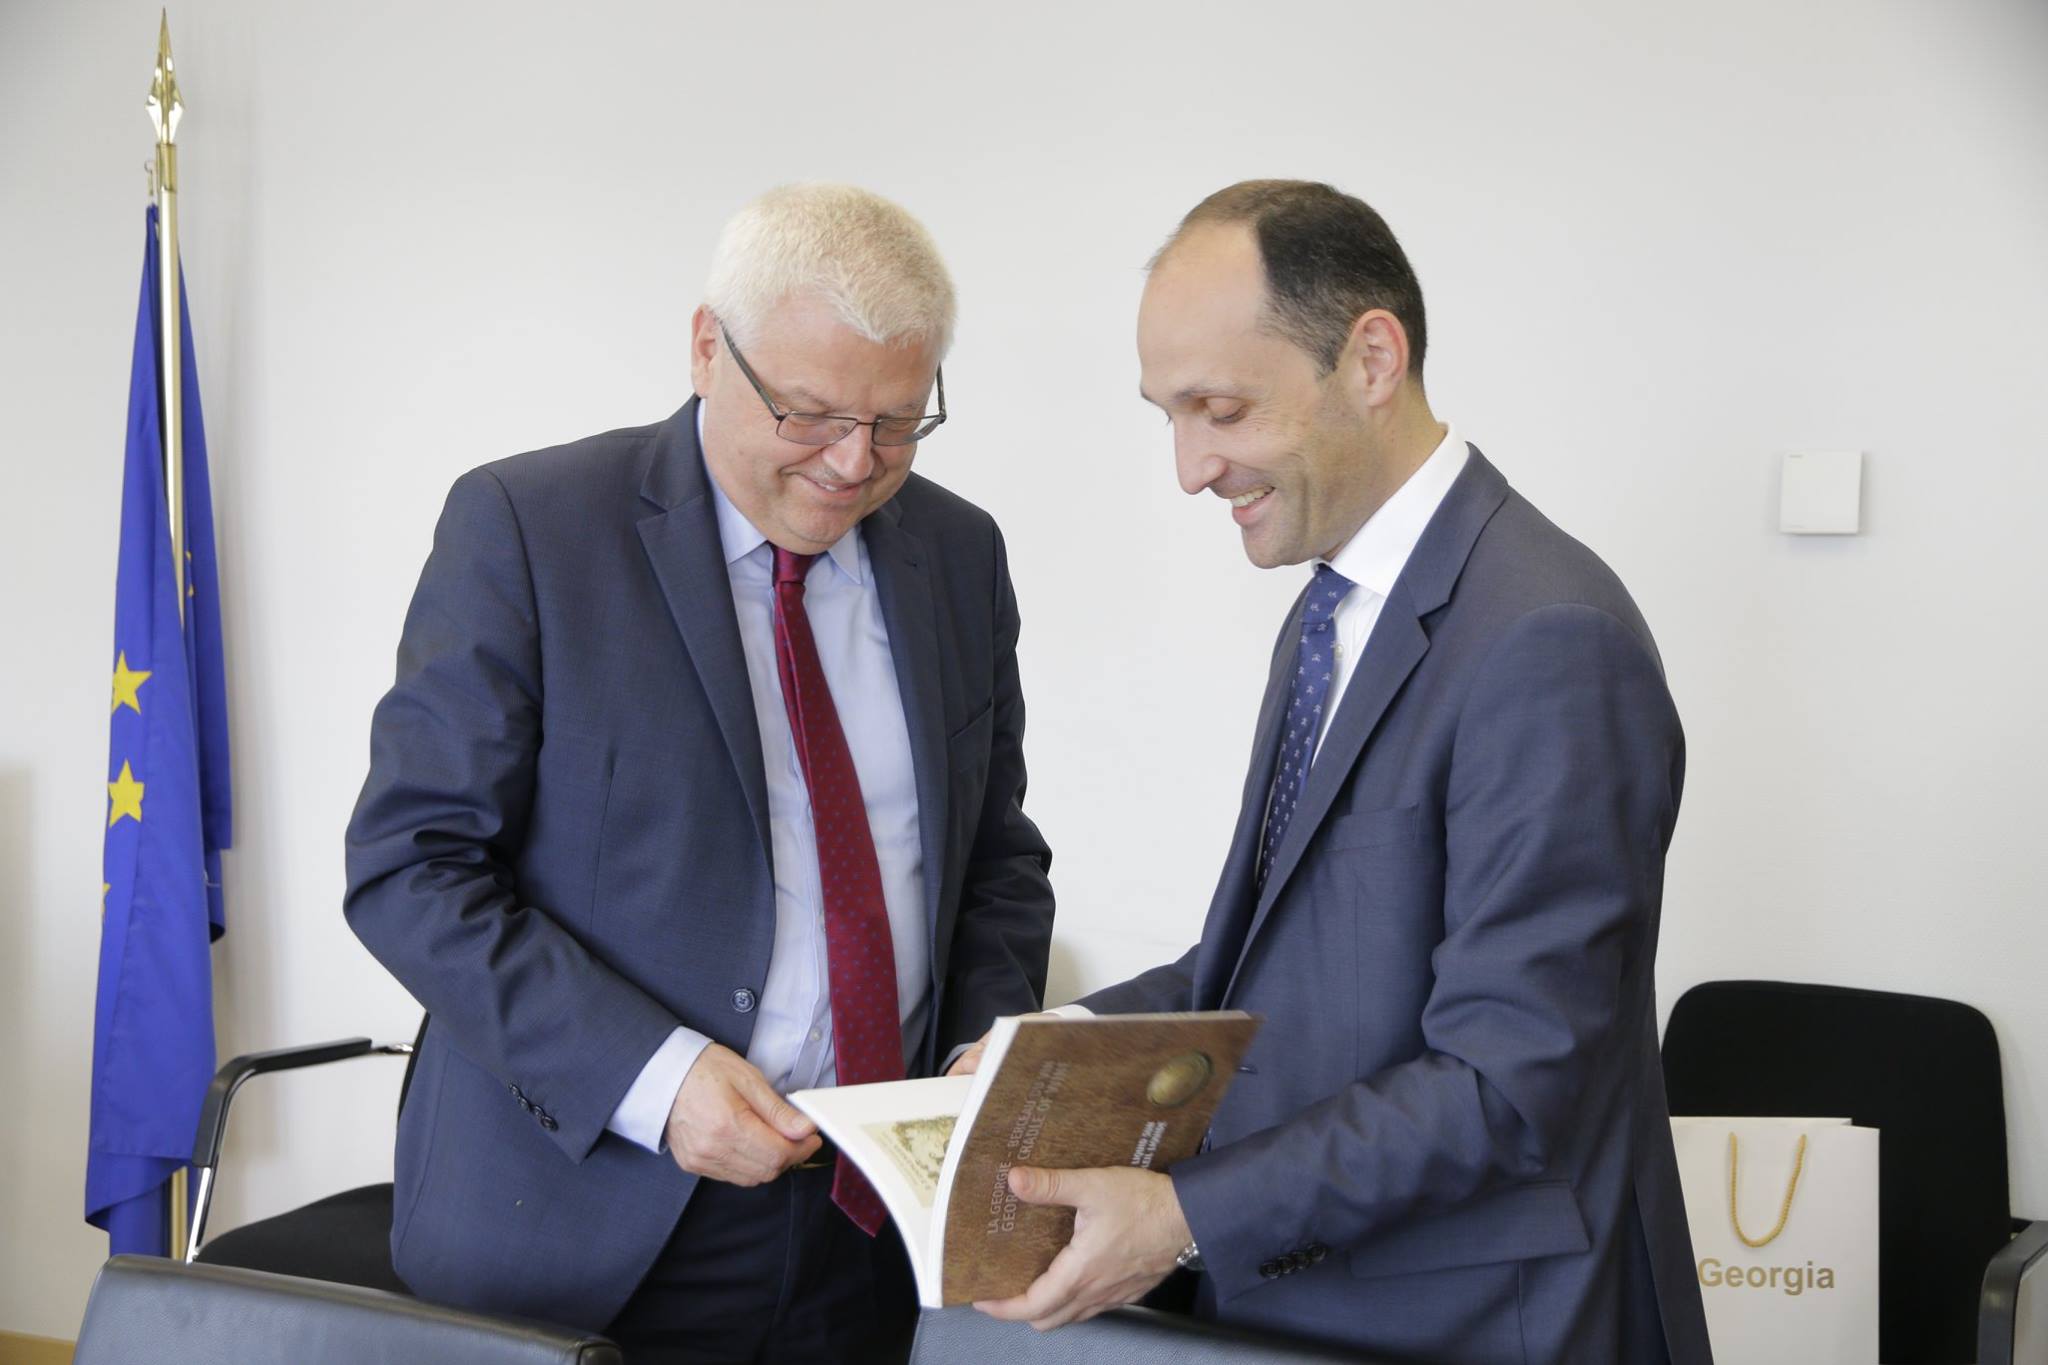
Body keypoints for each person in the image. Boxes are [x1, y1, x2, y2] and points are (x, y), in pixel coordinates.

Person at [968, 180, 1713, 1365]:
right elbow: (1279, 970)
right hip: (1318, 1302)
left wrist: (1181, 1219)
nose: (1189, 469)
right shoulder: (1332, 611)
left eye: (1220, 409)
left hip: (1481, 1324)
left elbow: (1508, 1082)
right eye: (1168, 417)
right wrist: (1043, 1052)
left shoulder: (1548, 639)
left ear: (1371, 359)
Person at [344, 183, 1055, 1363]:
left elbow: (993, 858)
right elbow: (411, 871)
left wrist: (983, 1055)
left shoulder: (957, 553)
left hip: (869, 1226)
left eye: (896, 422)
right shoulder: (529, 528)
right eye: (811, 415)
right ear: (705, 349)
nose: (852, 464)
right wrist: (656, 1081)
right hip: (586, 1217)